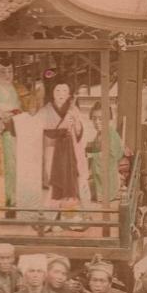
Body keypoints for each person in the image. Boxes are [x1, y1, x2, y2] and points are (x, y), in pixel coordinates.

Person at [0, 56, 35, 211]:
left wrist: (18, 114)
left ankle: (14, 200)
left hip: (17, 132)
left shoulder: (20, 89)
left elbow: (30, 110)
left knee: (15, 166)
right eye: (2, 71)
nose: (7, 74)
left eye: (10, 70)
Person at [39, 75, 89, 206]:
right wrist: (63, 125)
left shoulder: (73, 109)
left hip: (70, 150)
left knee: (72, 180)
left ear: (69, 94)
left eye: (65, 91)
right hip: (53, 151)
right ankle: (53, 217)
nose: (61, 94)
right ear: (52, 93)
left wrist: (76, 122)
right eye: (58, 91)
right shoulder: (45, 111)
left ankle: (70, 214)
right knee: (53, 182)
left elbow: (79, 133)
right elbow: (44, 134)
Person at [86, 101, 124, 202]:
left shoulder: (111, 134)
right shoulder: (100, 134)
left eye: (101, 119)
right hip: (99, 177)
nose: (97, 122)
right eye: (94, 119)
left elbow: (112, 155)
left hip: (109, 180)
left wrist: (92, 156)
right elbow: (96, 148)